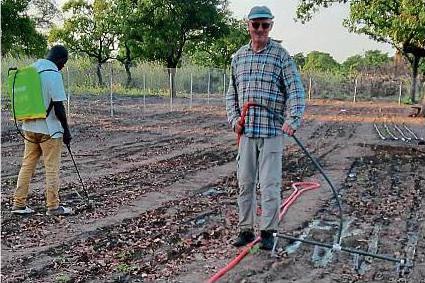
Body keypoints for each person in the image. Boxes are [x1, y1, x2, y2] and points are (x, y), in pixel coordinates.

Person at [226, 6, 306, 250]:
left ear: (271, 26)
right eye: (255, 24)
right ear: (248, 26)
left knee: (270, 185)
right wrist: (234, 119)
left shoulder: (281, 56)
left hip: (271, 133)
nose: (260, 29)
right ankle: (246, 230)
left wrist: (292, 120)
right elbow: (231, 95)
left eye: (265, 25)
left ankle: (268, 232)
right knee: (245, 183)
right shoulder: (238, 58)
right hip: (248, 134)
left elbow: (296, 92)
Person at [11, 45, 73, 216]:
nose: (63, 66)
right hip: (50, 130)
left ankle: (19, 204)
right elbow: (59, 106)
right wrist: (66, 131)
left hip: (29, 126)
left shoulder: (29, 70)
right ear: (60, 59)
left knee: (27, 164)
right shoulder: (53, 74)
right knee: (52, 167)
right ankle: (53, 206)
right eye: (64, 63)